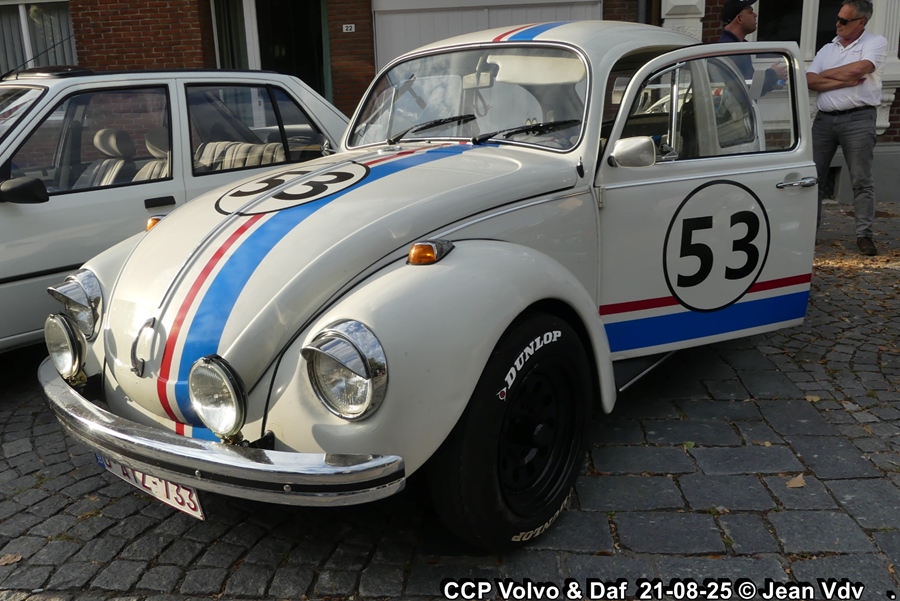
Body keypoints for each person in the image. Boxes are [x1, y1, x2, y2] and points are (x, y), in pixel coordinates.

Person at [807, 0, 887, 256]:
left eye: (844, 20)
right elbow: (809, 80)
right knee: (812, 179)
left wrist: (826, 76)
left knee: (861, 180)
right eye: (838, 18)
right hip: (824, 120)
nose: (837, 24)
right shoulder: (828, 47)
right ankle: (808, 233)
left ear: (861, 22)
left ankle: (864, 235)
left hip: (858, 119)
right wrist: (844, 80)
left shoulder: (875, 42)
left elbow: (860, 69)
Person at [716, 0, 787, 94]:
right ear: (739, 18)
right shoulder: (730, 49)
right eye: (750, 12)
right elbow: (743, 89)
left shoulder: (738, 47)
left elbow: (751, 89)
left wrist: (770, 84)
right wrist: (773, 74)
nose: (755, 15)